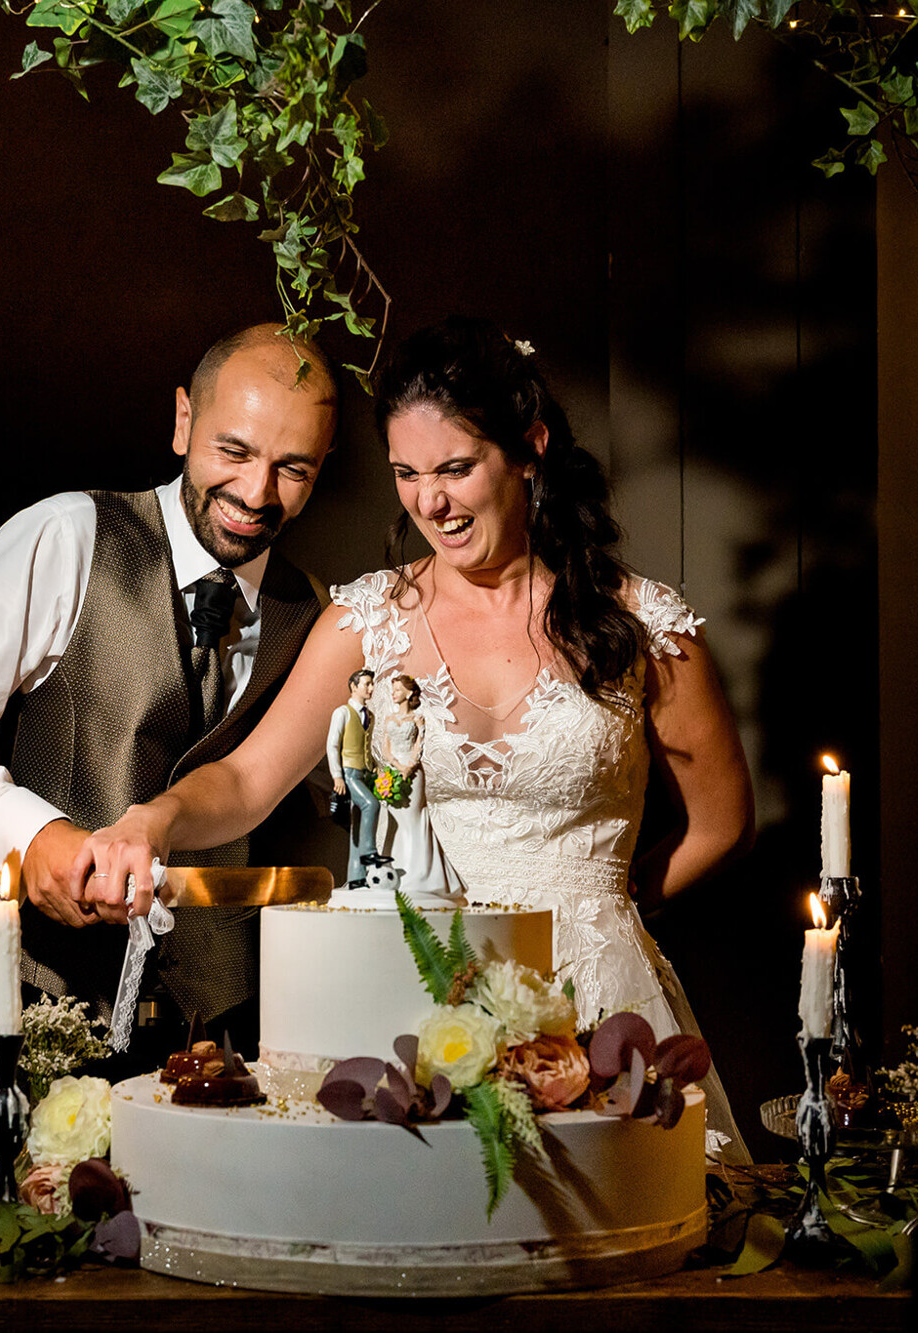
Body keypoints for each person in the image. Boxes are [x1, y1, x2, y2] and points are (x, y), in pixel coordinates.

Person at [68, 316, 754, 1159]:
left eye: (457, 468)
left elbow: (722, 820)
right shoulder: (367, 618)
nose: (430, 501)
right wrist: (154, 820)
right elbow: (246, 780)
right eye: (407, 473)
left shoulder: (642, 624)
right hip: (414, 1001)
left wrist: (599, 910)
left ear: (529, 449)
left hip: (594, 1005)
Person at [0, 323, 340, 1045]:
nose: (255, 492)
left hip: (221, 1032)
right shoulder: (69, 536)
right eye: (234, 451)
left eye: (293, 469)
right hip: (40, 1014)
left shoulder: (316, 615)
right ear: (184, 420)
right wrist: (31, 835)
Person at [372, 673, 461, 898]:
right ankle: (394, 873)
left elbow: (419, 746)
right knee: (395, 820)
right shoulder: (389, 720)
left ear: (410, 693)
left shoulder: (417, 719)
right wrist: (394, 765)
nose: (394, 693)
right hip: (393, 770)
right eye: (393, 690)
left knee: (414, 818)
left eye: (398, 690)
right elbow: (386, 747)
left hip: (413, 773)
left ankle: (420, 875)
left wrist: (409, 766)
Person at [324, 669, 380, 887]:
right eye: (366, 684)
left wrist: (373, 768)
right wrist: (337, 776)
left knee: (357, 826)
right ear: (354, 686)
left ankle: (356, 879)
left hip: (365, 773)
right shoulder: (342, 713)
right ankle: (370, 855)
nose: (371, 688)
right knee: (370, 805)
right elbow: (332, 745)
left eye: (372, 684)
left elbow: (366, 746)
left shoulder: (370, 716)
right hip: (349, 774)